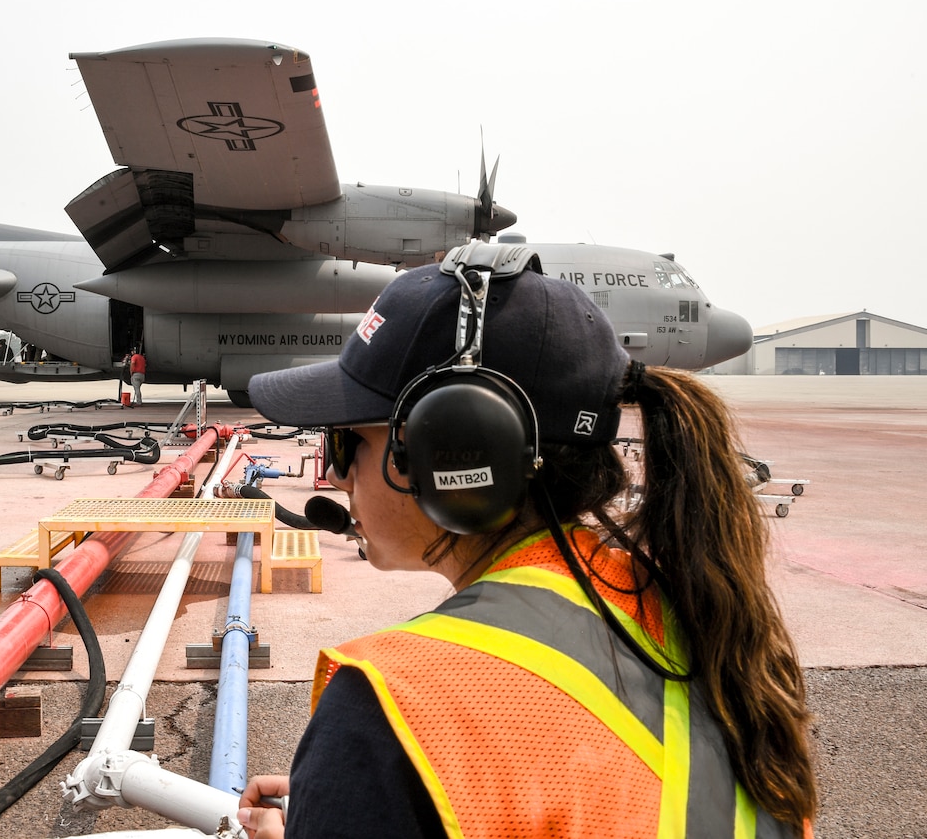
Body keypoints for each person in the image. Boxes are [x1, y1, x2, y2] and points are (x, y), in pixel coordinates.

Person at [237, 243, 815, 838]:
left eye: (342, 440)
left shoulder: (395, 709)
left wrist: (361, 783)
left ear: (453, 449)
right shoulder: (719, 636)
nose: (333, 475)